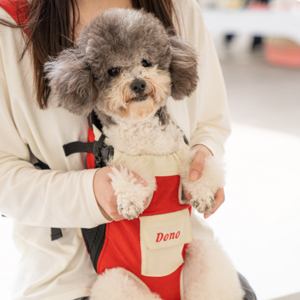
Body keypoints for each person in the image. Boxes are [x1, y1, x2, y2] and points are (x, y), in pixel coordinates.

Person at [0, 0, 256, 299]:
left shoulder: (181, 10)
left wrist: (202, 157)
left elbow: (210, 122)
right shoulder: (10, 25)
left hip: (182, 257)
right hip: (68, 278)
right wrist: (89, 192)